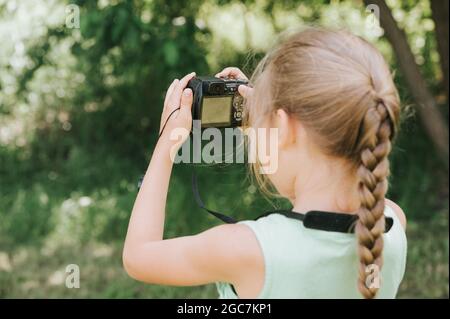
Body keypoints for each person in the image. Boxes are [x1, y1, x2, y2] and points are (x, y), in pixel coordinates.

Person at [122, 28, 407, 299]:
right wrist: (267, 119)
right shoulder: (391, 226)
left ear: (283, 128)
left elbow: (138, 256)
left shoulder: (247, 250)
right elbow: (313, 195)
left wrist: (166, 144)